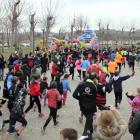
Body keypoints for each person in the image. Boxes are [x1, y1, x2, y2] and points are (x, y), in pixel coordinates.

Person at [73, 72, 104, 139]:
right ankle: (83, 137)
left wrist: (81, 99)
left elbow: (74, 95)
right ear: (95, 79)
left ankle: (91, 135)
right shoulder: (95, 86)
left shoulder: (81, 84)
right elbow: (102, 93)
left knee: (90, 122)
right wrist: (97, 84)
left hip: (82, 107)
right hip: (91, 108)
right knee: (87, 125)